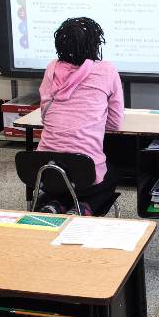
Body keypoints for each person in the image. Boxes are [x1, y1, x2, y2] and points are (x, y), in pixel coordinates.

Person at [34, 17, 124, 216]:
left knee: (67, 174)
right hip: (85, 172)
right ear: (95, 44)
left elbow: (45, 116)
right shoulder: (107, 70)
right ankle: (84, 208)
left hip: (46, 172)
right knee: (111, 173)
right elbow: (116, 123)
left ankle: (55, 204)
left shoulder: (51, 68)